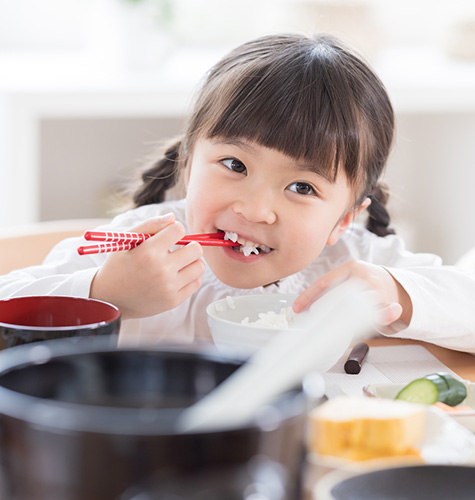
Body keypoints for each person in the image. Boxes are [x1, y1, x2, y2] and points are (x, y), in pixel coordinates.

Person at [1, 33, 474, 352]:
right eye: (234, 165)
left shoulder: (352, 263)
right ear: (188, 165)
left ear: (344, 219)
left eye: (302, 187)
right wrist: (104, 294)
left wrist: (399, 293)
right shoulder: (139, 248)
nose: (253, 208)